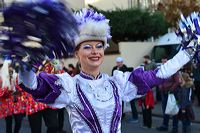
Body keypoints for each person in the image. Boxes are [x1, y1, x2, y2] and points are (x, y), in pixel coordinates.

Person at [18, 8, 195, 133]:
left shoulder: (118, 83)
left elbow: (158, 74)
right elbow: (33, 84)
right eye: (87, 47)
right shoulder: (70, 86)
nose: (95, 51)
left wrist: (188, 51)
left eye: (99, 46)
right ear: (77, 53)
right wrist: (28, 60)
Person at [156, 57, 181, 133]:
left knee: (174, 110)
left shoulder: (174, 70)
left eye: (165, 61)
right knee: (165, 110)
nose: (164, 63)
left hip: (172, 93)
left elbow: (177, 82)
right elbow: (159, 79)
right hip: (163, 92)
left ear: (168, 62)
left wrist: (170, 90)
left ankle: (175, 127)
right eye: (162, 61)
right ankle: (165, 125)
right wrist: (159, 86)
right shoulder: (161, 70)